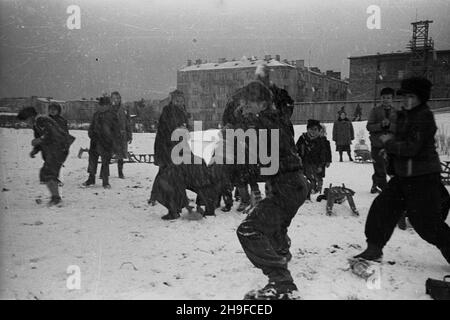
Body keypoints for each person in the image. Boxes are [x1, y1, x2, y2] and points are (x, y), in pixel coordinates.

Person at [354, 77, 450, 265]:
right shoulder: (405, 115)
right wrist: (388, 148)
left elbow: (412, 148)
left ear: (421, 98)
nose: (406, 100)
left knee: (426, 224)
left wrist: (389, 142)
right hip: (404, 176)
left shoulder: (424, 117)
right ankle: (374, 248)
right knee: (382, 208)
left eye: (411, 97)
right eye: (404, 96)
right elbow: (399, 142)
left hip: (423, 178)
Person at [235, 80, 308, 300]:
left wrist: (242, 175)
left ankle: (282, 282)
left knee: (249, 229)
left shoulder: (266, 124)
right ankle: (281, 253)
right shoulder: (277, 119)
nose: (244, 107)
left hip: (286, 185)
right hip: (295, 184)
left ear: (260, 103)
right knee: (274, 225)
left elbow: (268, 162)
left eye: (247, 103)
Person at [18, 106, 75, 206]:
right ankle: (56, 197)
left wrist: (38, 141)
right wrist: (35, 150)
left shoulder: (41, 120)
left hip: (58, 149)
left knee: (47, 173)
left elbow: (50, 134)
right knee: (48, 173)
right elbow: (40, 139)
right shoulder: (37, 123)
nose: (26, 123)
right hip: (55, 150)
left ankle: (56, 198)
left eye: (26, 120)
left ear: (30, 117)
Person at [149, 89, 191, 220]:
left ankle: (174, 207)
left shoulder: (182, 112)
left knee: (173, 180)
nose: (179, 103)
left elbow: (182, 131)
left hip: (176, 151)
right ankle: (173, 207)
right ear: (172, 100)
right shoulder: (168, 111)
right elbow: (167, 131)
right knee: (168, 179)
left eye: (181, 100)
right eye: (177, 100)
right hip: (167, 150)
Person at [82, 96, 121, 189]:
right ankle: (91, 178)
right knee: (92, 161)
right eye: (100, 105)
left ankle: (105, 181)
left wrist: (113, 140)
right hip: (95, 141)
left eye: (104, 105)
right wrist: (91, 133)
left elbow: (116, 130)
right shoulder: (96, 115)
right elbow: (92, 126)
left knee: (105, 162)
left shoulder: (112, 115)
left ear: (108, 106)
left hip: (106, 143)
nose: (101, 107)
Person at [366, 87, 397, 193]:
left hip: (391, 145)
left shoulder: (396, 112)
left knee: (391, 168)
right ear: (380, 98)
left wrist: (390, 126)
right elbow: (369, 126)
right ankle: (382, 188)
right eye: (384, 97)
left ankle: (378, 183)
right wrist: (380, 125)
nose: (386, 100)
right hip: (377, 144)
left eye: (388, 98)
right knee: (379, 167)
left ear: (392, 99)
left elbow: (400, 128)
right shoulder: (375, 111)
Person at [296, 119, 327, 197]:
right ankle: (308, 191)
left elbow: (324, 153)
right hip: (305, 162)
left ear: (319, 130)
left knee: (318, 176)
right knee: (307, 177)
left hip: (317, 163)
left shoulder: (321, 140)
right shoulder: (302, 138)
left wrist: (322, 164)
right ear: (307, 129)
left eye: (315, 129)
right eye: (311, 129)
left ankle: (318, 190)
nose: (313, 131)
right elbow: (296, 149)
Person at [111, 91, 132, 179]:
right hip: (111, 135)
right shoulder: (108, 109)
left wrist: (130, 135)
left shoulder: (124, 109)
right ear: (111, 99)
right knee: (108, 154)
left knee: (120, 155)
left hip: (122, 136)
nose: (116, 100)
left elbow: (128, 123)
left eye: (118, 98)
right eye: (114, 98)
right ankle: (104, 173)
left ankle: (120, 172)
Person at [318, 125, 332, 194]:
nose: (321, 133)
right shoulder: (314, 141)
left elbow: (329, 152)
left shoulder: (326, 142)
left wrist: (328, 161)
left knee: (320, 175)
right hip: (315, 161)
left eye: (322, 131)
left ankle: (319, 187)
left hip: (322, 161)